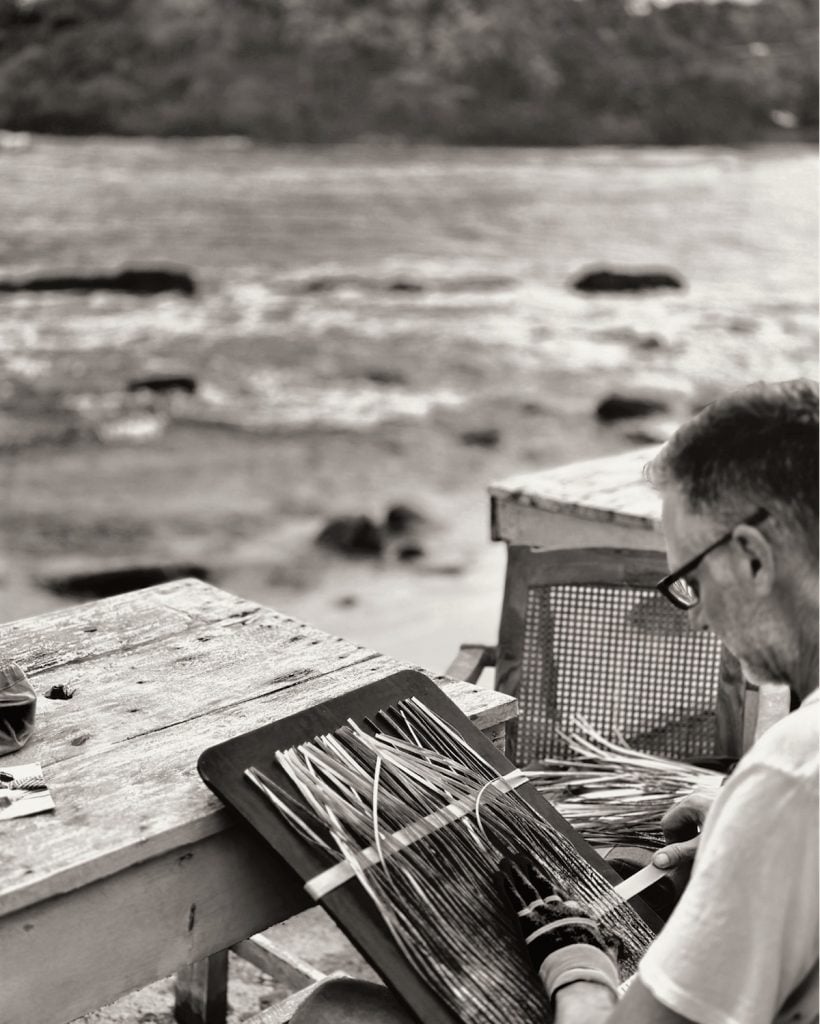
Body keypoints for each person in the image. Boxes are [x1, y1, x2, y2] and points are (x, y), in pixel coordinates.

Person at [292, 378, 819, 1024]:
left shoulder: (792, 780)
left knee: (331, 1011)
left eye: (690, 579)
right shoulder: (791, 793)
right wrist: (739, 832)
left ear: (753, 560)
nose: (698, 620)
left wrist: (577, 965)